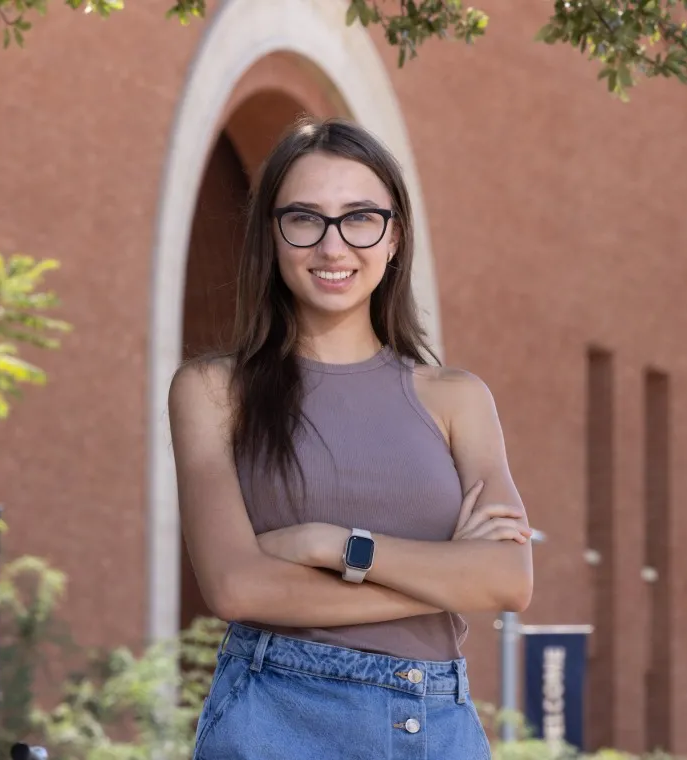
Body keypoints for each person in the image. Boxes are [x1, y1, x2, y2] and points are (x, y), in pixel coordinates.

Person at [168, 116, 533, 760]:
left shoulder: (456, 398)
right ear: (273, 239)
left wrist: (330, 544)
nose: (334, 247)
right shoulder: (213, 392)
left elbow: (507, 579)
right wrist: (445, 579)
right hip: (274, 714)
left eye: (361, 218)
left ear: (394, 238)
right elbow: (237, 590)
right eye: (305, 218)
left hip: (434, 723)